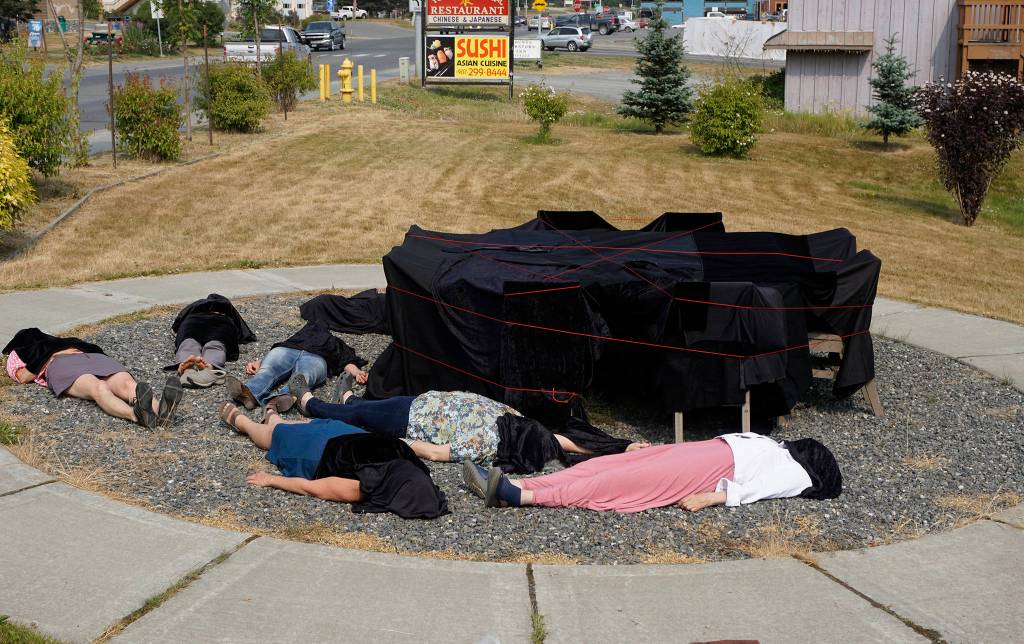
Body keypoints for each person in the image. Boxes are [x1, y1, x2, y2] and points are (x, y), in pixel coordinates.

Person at [287, 374, 650, 467]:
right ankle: (349, 396)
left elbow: (437, 453)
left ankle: (309, 403)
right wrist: (620, 447)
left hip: (409, 421)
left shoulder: (489, 441)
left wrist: (404, 445)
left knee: (358, 417)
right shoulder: (517, 423)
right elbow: (558, 440)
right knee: (365, 407)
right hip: (421, 402)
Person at [462, 432, 842, 513]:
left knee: (615, 482)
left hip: (711, 468)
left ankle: (520, 496)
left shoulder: (799, 474)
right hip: (702, 452)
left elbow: (761, 489)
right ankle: (519, 483)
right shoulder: (782, 449)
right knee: (610, 464)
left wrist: (713, 496)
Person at [219, 401, 448, 518]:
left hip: (351, 435)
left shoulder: (413, 464)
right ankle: (245, 422)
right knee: (275, 437)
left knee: (297, 428)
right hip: (321, 451)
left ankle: (271, 415)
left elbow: (315, 489)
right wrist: (271, 479)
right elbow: (313, 488)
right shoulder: (369, 485)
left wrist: (270, 479)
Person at [3, 328, 182, 429]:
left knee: (128, 384)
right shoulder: (17, 352)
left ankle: (161, 411)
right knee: (99, 387)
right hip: (60, 364)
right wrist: (49, 357)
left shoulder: (66, 339)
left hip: (90, 358)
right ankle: (137, 415)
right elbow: (22, 376)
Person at [225, 320, 368, 414]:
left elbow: (346, 360)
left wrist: (356, 372)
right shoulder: (300, 335)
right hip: (290, 349)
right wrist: (260, 361)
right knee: (267, 370)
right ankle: (249, 394)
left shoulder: (335, 341)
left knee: (302, 376)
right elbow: (275, 356)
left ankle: (283, 397)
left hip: (316, 357)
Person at [167, 293, 256, 388]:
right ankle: (208, 366)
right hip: (221, 322)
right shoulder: (227, 308)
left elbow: (177, 323)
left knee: (188, 343)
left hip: (193, 321)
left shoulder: (197, 307)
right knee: (215, 345)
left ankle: (187, 366)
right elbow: (242, 330)